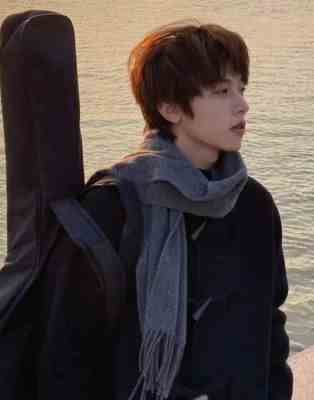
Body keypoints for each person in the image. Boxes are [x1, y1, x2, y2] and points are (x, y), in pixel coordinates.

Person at [37, 21, 293, 400]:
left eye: (241, 88)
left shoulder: (253, 204)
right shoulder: (111, 208)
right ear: (170, 107)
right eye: (222, 91)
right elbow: (66, 356)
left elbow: (269, 324)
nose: (242, 104)